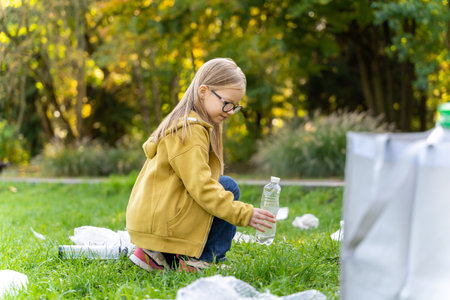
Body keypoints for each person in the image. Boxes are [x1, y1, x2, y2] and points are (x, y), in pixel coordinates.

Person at [126, 58, 276, 272]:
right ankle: (201, 260)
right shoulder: (190, 131)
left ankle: (157, 255)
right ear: (204, 91)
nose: (230, 111)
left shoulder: (185, 123)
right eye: (227, 103)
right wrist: (245, 214)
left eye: (235, 106)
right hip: (161, 225)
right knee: (227, 187)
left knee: (222, 184)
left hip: (155, 222)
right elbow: (202, 187)